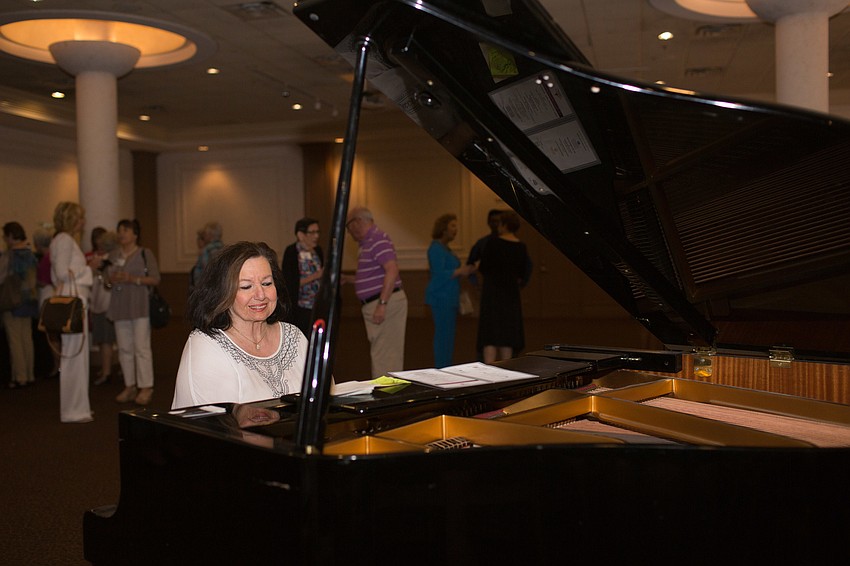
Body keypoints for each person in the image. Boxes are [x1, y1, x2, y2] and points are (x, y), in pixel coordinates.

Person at [172, 241, 307, 422]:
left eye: (267, 283)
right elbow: (210, 433)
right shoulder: (206, 347)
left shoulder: (295, 336)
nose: (261, 295)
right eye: (246, 286)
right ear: (223, 292)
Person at [344, 206, 408, 378]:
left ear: (357, 222)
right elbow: (375, 276)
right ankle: (386, 396)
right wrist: (349, 279)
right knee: (382, 354)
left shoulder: (377, 238)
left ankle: (387, 399)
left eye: (348, 226)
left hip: (385, 303)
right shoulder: (368, 242)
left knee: (386, 356)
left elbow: (392, 270)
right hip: (379, 302)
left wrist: (382, 304)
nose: (349, 233)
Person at [49, 202, 99, 423]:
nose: (83, 222)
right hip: (74, 303)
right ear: (71, 219)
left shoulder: (61, 240)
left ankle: (78, 406)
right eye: (80, 218)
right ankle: (73, 410)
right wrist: (90, 268)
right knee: (75, 356)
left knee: (75, 355)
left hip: (75, 301)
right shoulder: (65, 240)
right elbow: (61, 273)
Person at [106, 219, 160, 406]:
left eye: (126, 230)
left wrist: (133, 279)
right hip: (120, 306)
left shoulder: (145, 253)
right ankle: (130, 386)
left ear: (135, 234)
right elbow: (106, 281)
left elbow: (155, 279)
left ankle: (146, 387)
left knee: (141, 348)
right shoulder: (113, 255)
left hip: (139, 305)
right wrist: (110, 279)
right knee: (124, 348)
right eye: (119, 230)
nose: (121, 234)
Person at [475, 211, 531, 364]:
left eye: (500, 223)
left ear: (505, 225)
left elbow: (484, 267)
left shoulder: (493, 243)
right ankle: (507, 370)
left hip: (492, 294)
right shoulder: (521, 247)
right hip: (511, 294)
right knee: (508, 336)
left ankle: (489, 372)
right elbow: (523, 271)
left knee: (490, 335)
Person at [425, 213, 474, 368]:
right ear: (443, 228)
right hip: (440, 297)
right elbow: (438, 274)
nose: (456, 229)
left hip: (450, 297)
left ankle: (446, 367)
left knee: (448, 336)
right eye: (453, 226)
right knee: (442, 336)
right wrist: (461, 271)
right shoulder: (435, 249)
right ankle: (441, 368)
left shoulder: (447, 249)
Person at [0, 222, 39, 388]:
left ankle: (20, 376)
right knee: (27, 339)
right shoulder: (31, 254)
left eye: (5, 236)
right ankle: (30, 374)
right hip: (29, 300)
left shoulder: (9, 256)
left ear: (10, 236)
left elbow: (1, 278)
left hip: (12, 301)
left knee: (15, 340)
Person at [281, 217, 324, 336]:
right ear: (300, 234)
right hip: (301, 307)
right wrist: (316, 275)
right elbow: (289, 282)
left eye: (318, 232)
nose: (316, 236)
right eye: (312, 232)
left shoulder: (318, 251)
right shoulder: (291, 252)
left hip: (317, 305)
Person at [86, 227, 118, 386]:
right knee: (104, 340)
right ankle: (107, 370)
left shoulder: (107, 261)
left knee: (105, 341)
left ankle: (106, 372)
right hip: (102, 304)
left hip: (104, 304)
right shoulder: (111, 260)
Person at [32, 227, 59, 379]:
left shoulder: (46, 258)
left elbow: (43, 281)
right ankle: (58, 364)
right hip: (51, 295)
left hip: (48, 296)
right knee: (54, 335)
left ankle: (58, 364)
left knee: (52, 336)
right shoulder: (51, 256)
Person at [190, 221, 223, 293]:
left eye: (205, 234)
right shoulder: (224, 248)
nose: (204, 236)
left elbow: (206, 269)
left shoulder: (207, 249)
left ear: (210, 235)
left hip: (205, 287)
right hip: (221, 285)